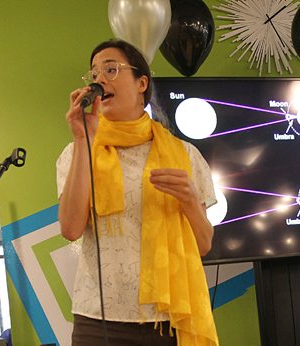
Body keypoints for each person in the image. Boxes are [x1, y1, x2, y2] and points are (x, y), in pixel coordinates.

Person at [56, 39, 219, 346]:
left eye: (111, 69)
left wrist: (189, 201)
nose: (99, 80)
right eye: (93, 75)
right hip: (97, 319)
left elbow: (204, 244)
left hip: (168, 318)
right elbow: (70, 228)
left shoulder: (184, 154)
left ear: (141, 82)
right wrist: (83, 140)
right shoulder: (76, 152)